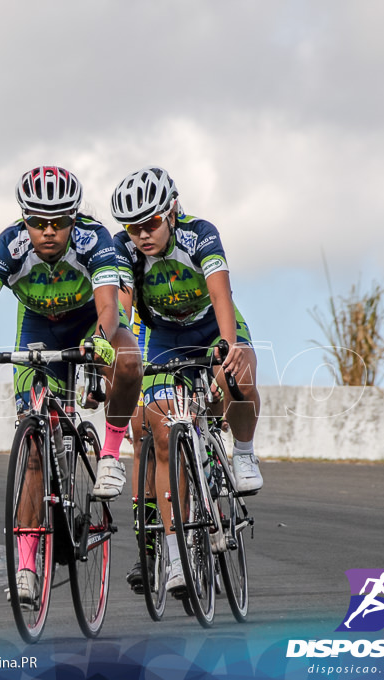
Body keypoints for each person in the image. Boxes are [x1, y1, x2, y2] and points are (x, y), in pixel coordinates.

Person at [0, 165, 142, 607]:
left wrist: (98, 339)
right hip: (38, 328)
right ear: (24, 219)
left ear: (75, 217)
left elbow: (111, 308)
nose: (49, 231)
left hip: (90, 320)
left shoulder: (94, 239)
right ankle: (24, 568)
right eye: (38, 222)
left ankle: (110, 453)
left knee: (127, 357)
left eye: (59, 221)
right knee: (34, 450)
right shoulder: (10, 244)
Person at [109, 166, 262, 596]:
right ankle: (173, 558)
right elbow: (122, 308)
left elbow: (220, 294)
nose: (142, 234)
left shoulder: (201, 234)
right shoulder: (124, 250)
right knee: (160, 433)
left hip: (212, 326)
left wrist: (229, 346)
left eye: (151, 223)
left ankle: (244, 453)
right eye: (133, 227)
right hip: (165, 339)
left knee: (239, 373)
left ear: (172, 212)